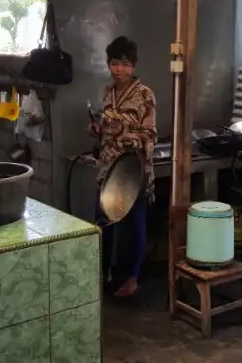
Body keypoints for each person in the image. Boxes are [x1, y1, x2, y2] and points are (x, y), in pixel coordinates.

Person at [89, 36, 157, 298]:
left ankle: (131, 279)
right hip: (108, 168)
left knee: (133, 224)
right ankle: (103, 273)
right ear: (109, 65)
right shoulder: (108, 93)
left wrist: (124, 133)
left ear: (134, 66)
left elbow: (150, 135)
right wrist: (97, 130)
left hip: (132, 170)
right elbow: (106, 130)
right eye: (115, 64)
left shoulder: (144, 95)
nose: (120, 69)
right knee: (102, 220)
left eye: (125, 64)